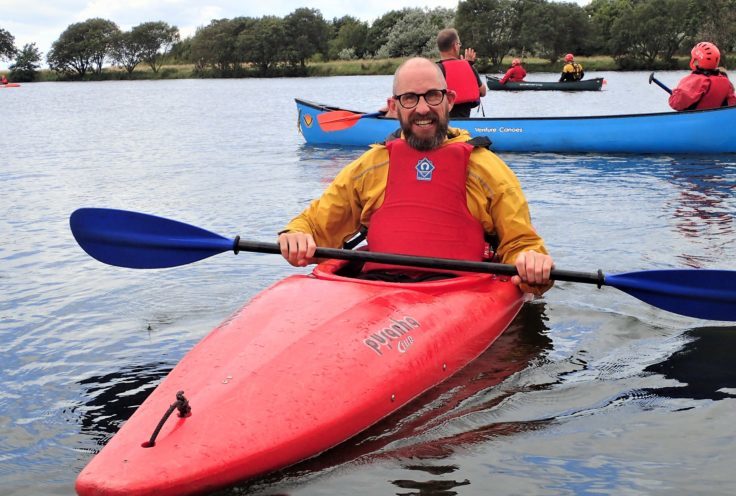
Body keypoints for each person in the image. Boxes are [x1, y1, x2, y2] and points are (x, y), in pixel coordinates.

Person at [278, 57, 554, 296]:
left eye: (433, 95)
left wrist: (532, 263)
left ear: (449, 101)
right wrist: (297, 234)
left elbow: (522, 243)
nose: (422, 109)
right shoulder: (370, 166)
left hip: (460, 293)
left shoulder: (489, 170)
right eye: (410, 98)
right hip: (377, 291)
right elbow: (316, 224)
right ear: (394, 106)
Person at [668, 41, 736, 111]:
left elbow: (676, 103)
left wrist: (675, 94)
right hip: (717, 119)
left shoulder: (695, 80)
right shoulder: (725, 82)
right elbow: (733, 104)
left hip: (694, 119)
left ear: (696, 60)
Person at [436, 28, 487, 118]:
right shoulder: (468, 66)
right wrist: (469, 65)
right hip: (463, 123)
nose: (459, 46)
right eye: (459, 44)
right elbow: (483, 91)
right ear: (455, 46)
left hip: (440, 122)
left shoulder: (433, 70)